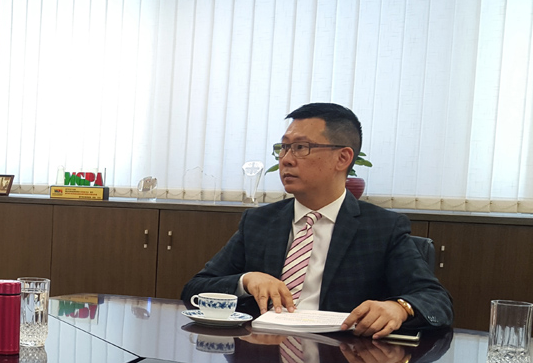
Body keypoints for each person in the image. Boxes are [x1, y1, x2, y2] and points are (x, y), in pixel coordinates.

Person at [182, 102, 452, 337]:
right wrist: (246, 280)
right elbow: (194, 289)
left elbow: (435, 300)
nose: (286, 160)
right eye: (283, 148)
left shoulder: (382, 228)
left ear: (343, 158)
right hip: (263, 356)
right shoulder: (259, 222)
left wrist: (399, 307)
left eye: (300, 147)